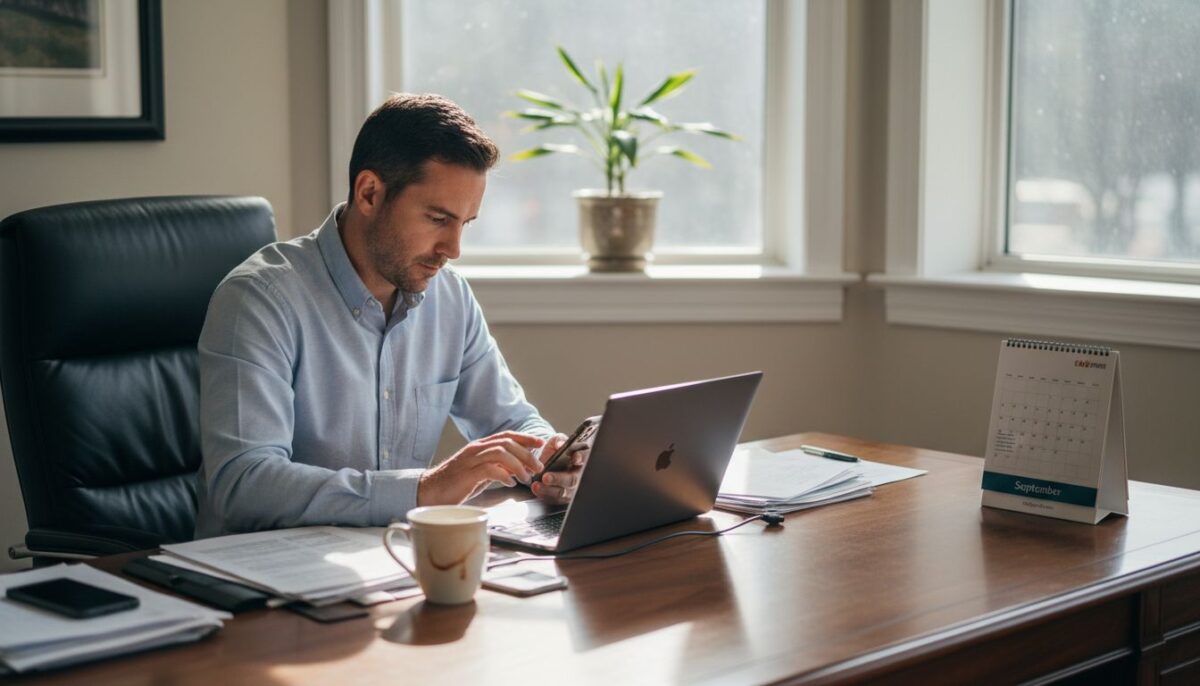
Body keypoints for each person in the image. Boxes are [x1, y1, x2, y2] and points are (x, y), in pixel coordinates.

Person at [194, 93, 582, 537]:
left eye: (465, 224)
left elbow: (513, 423)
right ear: (370, 193)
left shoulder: (450, 298)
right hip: (261, 568)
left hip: (389, 556)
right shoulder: (258, 300)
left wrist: (551, 459)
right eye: (437, 219)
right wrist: (424, 490)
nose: (453, 249)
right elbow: (244, 485)